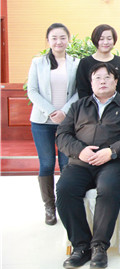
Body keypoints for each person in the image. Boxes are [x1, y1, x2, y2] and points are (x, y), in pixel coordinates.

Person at [56, 63, 120, 269]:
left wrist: (111, 151)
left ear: (116, 81)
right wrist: (80, 151)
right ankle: (81, 246)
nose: (102, 81)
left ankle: (99, 247)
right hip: (81, 162)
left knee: (108, 189)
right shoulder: (78, 106)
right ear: (91, 82)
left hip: (114, 163)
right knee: (65, 189)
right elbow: (62, 135)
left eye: (107, 77)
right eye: (97, 78)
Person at [28, 23, 79, 225]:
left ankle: (65, 204)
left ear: (68, 39)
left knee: (66, 164)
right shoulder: (38, 62)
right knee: (47, 163)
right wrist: (51, 111)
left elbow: (79, 91)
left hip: (66, 122)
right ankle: (49, 207)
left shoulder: (76, 63)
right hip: (42, 121)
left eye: (62, 37)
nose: (59, 42)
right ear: (48, 40)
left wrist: (64, 112)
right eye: (54, 38)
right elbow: (32, 91)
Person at [76, 24, 120, 99]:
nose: (105, 42)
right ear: (95, 40)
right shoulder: (85, 63)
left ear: (114, 40)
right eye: (101, 39)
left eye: (109, 39)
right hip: (91, 105)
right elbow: (82, 89)